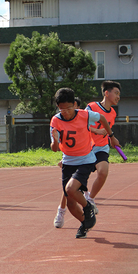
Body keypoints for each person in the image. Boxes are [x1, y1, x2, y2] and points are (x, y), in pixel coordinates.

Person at [50, 87, 113, 239]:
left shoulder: (85, 115)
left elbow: (102, 119)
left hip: (86, 160)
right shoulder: (56, 120)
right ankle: (85, 223)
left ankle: (88, 206)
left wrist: (111, 135)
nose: (65, 112)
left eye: (69, 108)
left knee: (71, 189)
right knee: (71, 203)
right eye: (61, 109)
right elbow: (54, 148)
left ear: (75, 104)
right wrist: (55, 141)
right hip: (68, 161)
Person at [83, 81, 122, 213]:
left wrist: (111, 139)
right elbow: (81, 123)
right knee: (80, 178)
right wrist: (96, 131)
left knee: (103, 172)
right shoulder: (92, 107)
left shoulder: (113, 114)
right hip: (86, 148)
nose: (118, 97)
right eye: (116, 93)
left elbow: (108, 130)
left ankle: (90, 199)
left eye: (119, 94)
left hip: (101, 147)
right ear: (107, 93)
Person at [53, 97, 80, 228]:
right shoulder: (60, 121)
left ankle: (89, 203)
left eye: (71, 109)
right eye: (65, 109)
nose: (69, 112)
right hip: (69, 158)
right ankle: (61, 211)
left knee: (74, 188)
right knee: (68, 190)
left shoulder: (83, 120)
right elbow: (59, 144)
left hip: (85, 157)